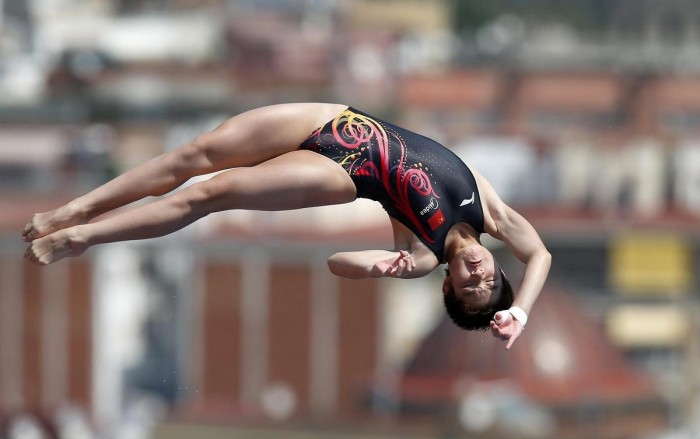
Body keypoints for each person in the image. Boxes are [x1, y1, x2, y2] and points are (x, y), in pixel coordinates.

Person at [22, 103, 550, 349]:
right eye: (488, 284)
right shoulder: (493, 211)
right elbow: (541, 256)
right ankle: (75, 209)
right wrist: (518, 313)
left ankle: (83, 237)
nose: (476, 279)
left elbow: (335, 263)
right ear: (498, 267)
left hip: (342, 172)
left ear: (450, 283)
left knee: (211, 193)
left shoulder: (426, 256)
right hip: (334, 119)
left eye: (468, 291)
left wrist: (380, 268)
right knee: (194, 154)